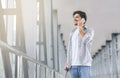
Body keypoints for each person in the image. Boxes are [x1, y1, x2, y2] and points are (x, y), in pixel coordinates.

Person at [64, 10, 94, 78]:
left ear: (83, 19)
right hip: (73, 66)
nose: (74, 19)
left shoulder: (90, 30)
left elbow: (85, 40)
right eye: (74, 17)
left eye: (77, 17)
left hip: (85, 65)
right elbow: (70, 49)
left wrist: (80, 28)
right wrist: (67, 63)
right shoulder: (72, 32)